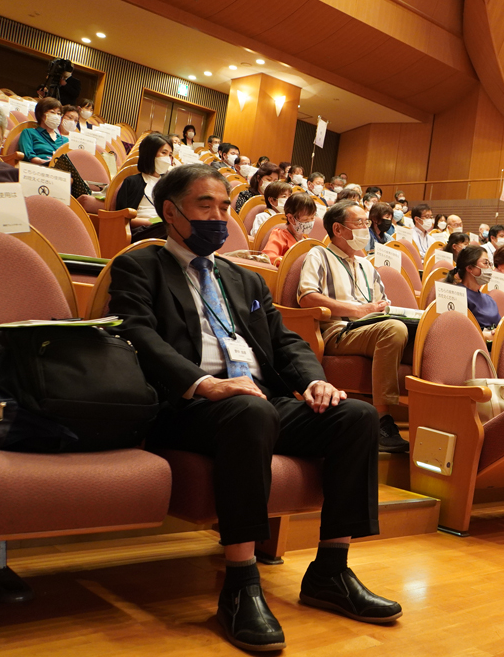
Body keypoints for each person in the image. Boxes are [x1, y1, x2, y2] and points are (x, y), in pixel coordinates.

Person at [107, 165, 400, 650]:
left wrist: (316, 383)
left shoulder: (243, 280)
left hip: (256, 400)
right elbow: (137, 334)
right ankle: (241, 584)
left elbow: (286, 343)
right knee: (250, 411)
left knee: (356, 417)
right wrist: (202, 384)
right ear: (170, 212)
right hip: (188, 407)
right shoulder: (140, 266)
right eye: (206, 206)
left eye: (225, 207)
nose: (219, 217)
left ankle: (330, 571)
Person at [298, 202, 410, 453]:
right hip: (337, 331)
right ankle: (381, 420)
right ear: (338, 229)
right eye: (359, 223)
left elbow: (382, 303)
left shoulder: (366, 264)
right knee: (394, 330)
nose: (365, 229)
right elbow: (307, 297)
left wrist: (379, 309)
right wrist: (357, 310)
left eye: (367, 223)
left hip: (370, 328)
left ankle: (435, 421)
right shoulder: (319, 255)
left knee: (418, 336)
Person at [114, 132, 173, 242]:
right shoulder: (132, 182)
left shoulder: (169, 184)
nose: (167, 159)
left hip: (164, 227)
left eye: (170, 154)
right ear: (150, 154)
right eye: (163, 153)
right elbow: (122, 218)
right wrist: (151, 222)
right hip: (141, 230)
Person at [444, 245, 499, 335]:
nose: (489, 268)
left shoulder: (489, 300)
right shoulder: (456, 295)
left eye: (490, 264)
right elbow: (456, 332)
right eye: (485, 263)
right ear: (469, 268)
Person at [261, 192, 317, 266]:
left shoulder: (305, 240)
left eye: (312, 218)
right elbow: (268, 256)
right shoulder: (280, 235)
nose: (309, 222)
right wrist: (295, 265)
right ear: (290, 218)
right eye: (305, 220)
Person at [18, 98, 69, 165]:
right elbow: (28, 156)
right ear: (41, 115)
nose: (56, 116)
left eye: (59, 114)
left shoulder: (65, 140)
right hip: (37, 168)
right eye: (52, 112)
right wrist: (47, 163)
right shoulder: (28, 133)